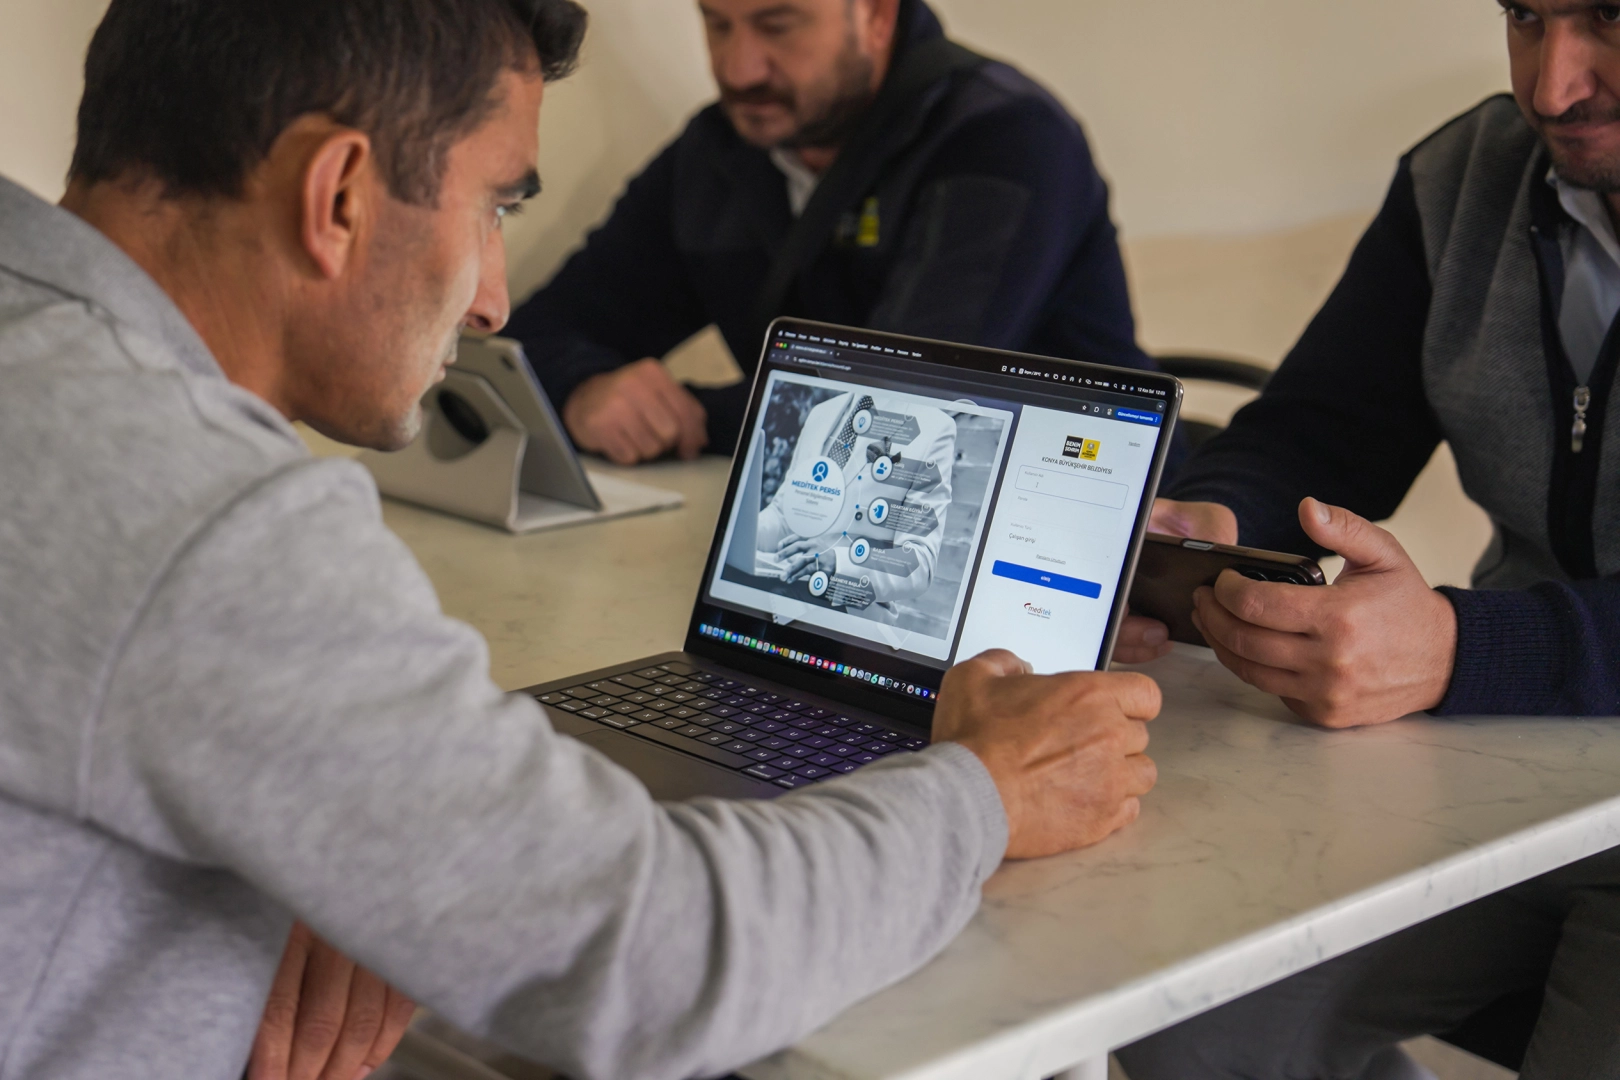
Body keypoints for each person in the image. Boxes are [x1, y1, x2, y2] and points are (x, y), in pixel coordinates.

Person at [0, 2, 1163, 1078]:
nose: (493, 302)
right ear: (337, 193)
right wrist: (983, 795)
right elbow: (658, 962)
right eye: (495, 207)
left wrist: (350, 837)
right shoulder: (204, 518)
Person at [1112, 1, 1620, 1075]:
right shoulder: (1466, 175)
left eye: (1610, 17)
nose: (1550, 87)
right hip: (1514, 760)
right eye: (1525, 16)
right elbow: (1320, 429)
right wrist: (1209, 526)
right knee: (1189, 1015)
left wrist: (1461, 648)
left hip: (1525, 722)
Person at [504, 0, 1157, 466]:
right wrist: (582, 389)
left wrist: (690, 414)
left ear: (876, 15)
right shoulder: (719, 152)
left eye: (777, 25)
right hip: (842, 519)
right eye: (716, 23)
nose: (739, 68)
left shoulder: (1005, 139)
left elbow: (903, 401)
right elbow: (535, 335)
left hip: (1064, 528)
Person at [757, 389, 955, 615]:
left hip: (847, 607)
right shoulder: (822, 412)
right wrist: (743, 530)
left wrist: (838, 563)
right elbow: (783, 516)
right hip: (787, 584)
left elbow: (920, 562)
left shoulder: (934, 427)